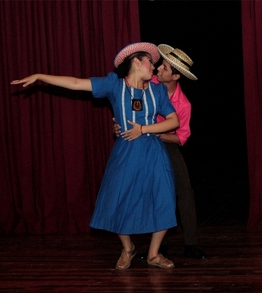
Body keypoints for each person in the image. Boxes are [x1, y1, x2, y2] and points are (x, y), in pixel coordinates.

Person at [11, 42, 179, 269]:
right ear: (137, 63)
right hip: (127, 151)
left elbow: (173, 121)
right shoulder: (114, 85)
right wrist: (41, 76)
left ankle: (153, 254)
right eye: (150, 61)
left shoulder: (157, 91)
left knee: (163, 199)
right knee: (118, 198)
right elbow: (75, 83)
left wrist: (143, 129)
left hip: (153, 151)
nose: (154, 66)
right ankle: (128, 248)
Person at [113, 44, 206, 260]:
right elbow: (124, 102)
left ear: (175, 76)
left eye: (164, 68)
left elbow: (181, 138)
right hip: (138, 142)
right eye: (160, 65)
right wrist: (118, 125)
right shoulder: (147, 83)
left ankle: (191, 244)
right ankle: (156, 247)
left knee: (184, 191)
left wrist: (154, 133)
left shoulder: (183, 105)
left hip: (164, 144)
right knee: (146, 192)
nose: (158, 69)